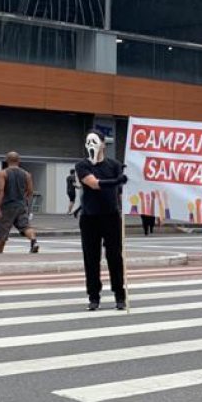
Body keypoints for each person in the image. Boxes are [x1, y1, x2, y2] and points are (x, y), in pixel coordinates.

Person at [75, 132, 127, 311]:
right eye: (88, 141)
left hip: (111, 216)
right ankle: (94, 296)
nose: (91, 144)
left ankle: (120, 294)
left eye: (95, 141)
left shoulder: (114, 164)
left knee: (115, 256)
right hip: (89, 217)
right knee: (91, 258)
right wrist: (117, 181)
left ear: (104, 144)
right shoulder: (82, 165)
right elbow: (93, 183)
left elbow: (121, 190)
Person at [0, 151, 39, 254]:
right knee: (25, 226)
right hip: (21, 205)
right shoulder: (26, 174)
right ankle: (33, 241)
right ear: (19, 160)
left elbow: (1, 189)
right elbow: (30, 191)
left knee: (2, 229)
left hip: (7, 206)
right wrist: (24, 199)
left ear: (6, 160)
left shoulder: (3, 173)